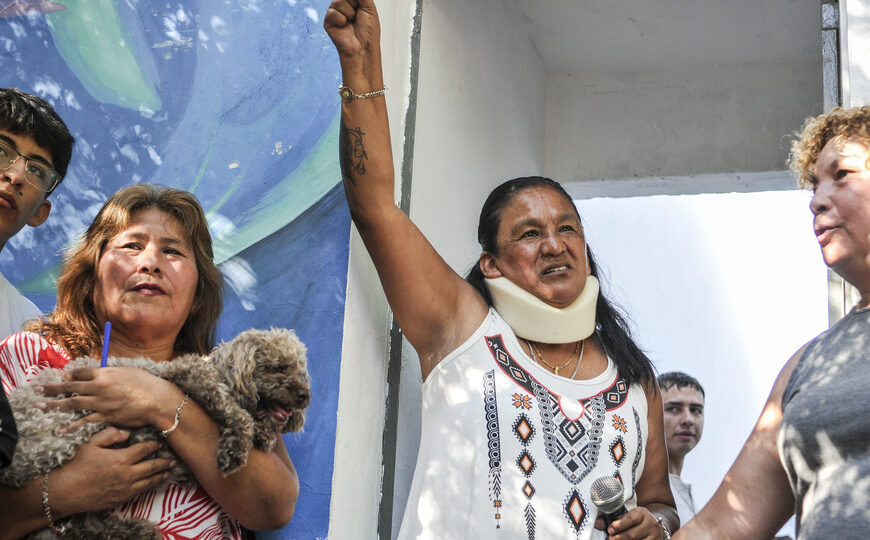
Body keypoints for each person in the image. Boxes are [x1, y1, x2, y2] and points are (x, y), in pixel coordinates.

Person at [324, 1, 677, 538]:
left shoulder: (634, 380)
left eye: (567, 229)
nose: (554, 245)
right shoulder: (461, 332)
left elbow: (660, 501)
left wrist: (657, 523)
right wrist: (361, 65)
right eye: (530, 234)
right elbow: (374, 206)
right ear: (491, 263)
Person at [0, 184, 299, 539]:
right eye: (131, 246)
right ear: (91, 275)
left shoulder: (226, 385)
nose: (150, 263)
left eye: (172, 251)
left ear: (198, 296)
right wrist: (64, 490)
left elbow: (273, 507)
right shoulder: (26, 358)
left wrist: (161, 401)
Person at [674, 106, 870, 539]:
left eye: (842, 175)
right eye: (815, 184)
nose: (817, 199)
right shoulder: (808, 364)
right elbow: (720, 527)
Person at [0, 88, 74, 341]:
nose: (16, 175)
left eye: (36, 170)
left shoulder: (26, 334)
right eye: (1, 151)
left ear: (40, 213)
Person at [657, 372, 704, 525]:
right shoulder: (638, 491)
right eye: (673, 409)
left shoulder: (694, 499)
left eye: (696, 410)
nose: (688, 420)